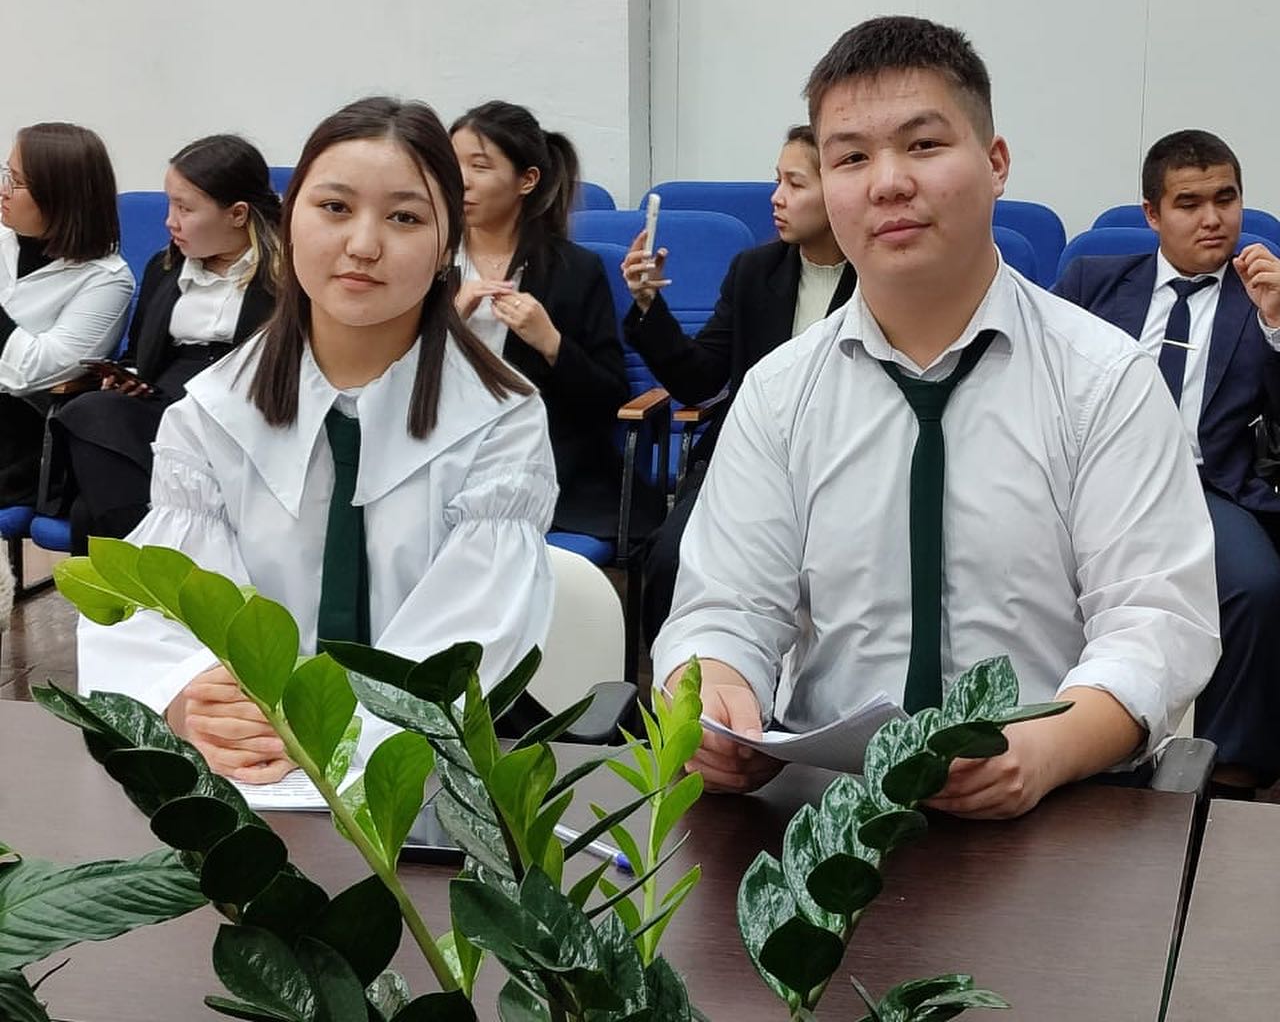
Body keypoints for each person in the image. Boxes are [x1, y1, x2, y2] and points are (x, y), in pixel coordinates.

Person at [651, 15, 1219, 818]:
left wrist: (1046, 751)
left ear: (996, 163)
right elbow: (724, 607)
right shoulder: (779, 392)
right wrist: (713, 693)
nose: (887, 183)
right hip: (828, 815)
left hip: (1055, 807)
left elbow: (1154, 622)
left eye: (922, 145)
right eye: (850, 157)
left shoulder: (1103, 381)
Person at [78, 97, 557, 784]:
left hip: (421, 784)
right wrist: (192, 699)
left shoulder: (499, 420)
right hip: (248, 781)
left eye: (404, 217)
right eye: (334, 207)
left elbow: (470, 639)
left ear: (447, 244)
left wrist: (318, 734)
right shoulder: (212, 413)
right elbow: (165, 606)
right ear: (289, 220)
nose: (363, 244)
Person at [1054, 129, 1280, 792]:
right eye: (1189, 203)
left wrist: (1277, 326)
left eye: (1225, 199)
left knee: (1257, 587)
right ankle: (1062, 737)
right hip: (1097, 481)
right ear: (1152, 214)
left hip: (1207, 486)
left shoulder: (1260, 292)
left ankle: (1230, 769)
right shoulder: (1095, 282)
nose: (1213, 219)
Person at [620, 125, 856, 644]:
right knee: (671, 558)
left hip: (844, 470)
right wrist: (648, 308)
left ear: (838, 192)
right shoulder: (754, 272)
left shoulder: (878, 279)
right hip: (747, 460)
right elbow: (699, 380)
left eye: (795, 184)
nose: (776, 197)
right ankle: (678, 685)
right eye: (777, 180)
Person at [53, 134, 282, 553]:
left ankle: (144, 568)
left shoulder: (289, 278)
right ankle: (161, 561)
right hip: (167, 406)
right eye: (169, 205)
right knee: (89, 409)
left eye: (185, 208)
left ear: (237, 214)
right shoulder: (164, 269)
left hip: (243, 414)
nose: (170, 222)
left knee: (89, 510)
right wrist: (127, 378)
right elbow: (137, 355)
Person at [450, 100, 650, 541]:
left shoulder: (574, 270)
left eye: (479, 166)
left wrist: (551, 343)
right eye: (452, 163)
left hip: (543, 462)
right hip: (441, 457)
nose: (460, 179)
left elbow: (609, 397)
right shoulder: (426, 261)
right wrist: (447, 326)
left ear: (527, 180)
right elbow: (385, 378)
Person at [0, 123, 133, 507]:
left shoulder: (107, 279)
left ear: (59, 195)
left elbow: (31, 372)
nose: (4, 191)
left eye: (17, 182)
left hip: (20, 433)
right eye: (7, 174)